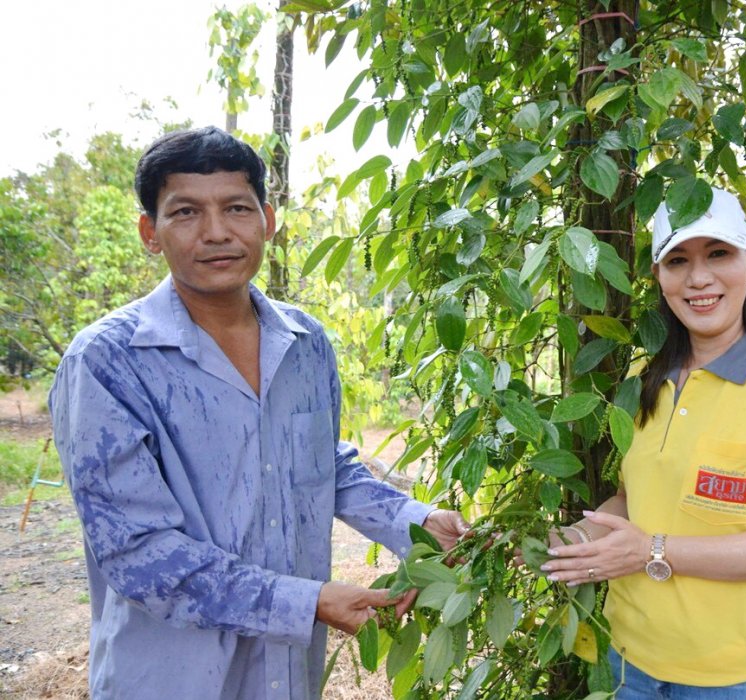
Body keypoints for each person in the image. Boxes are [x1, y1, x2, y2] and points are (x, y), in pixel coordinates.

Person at [49, 126, 468, 699]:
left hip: (286, 677)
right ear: (151, 232)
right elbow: (140, 554)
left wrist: (413, 522)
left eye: (237, 208)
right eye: (186, 212)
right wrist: (308, 601)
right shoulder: (106, 361)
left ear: (267, 221)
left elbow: (325, 466)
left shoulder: (307, 342)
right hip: (170, 682)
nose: (217, 233)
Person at [541, 187, 746, 698]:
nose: (699, 278)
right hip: (627, 662)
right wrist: (582, 540)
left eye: (717, 254)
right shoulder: (645, 380)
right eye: (678, 260)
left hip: (732, 677)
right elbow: (635, 500)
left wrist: (650, 552)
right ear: (659, 277)